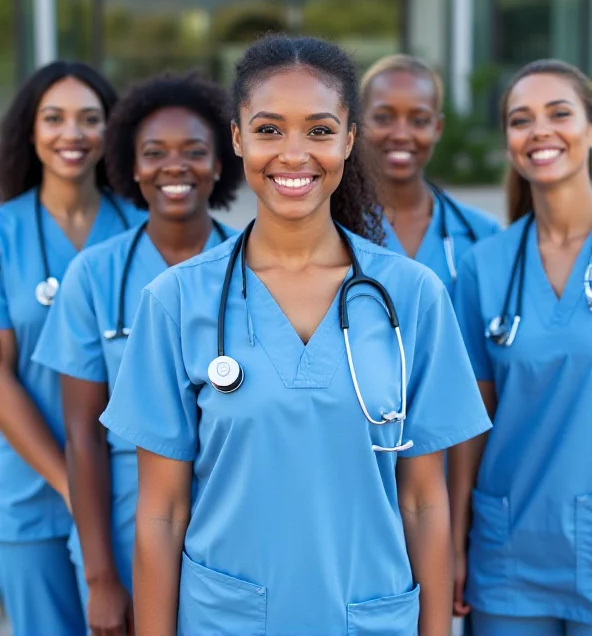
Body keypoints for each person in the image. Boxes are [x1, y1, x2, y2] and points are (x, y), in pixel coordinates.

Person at [101, 34, 491, 636]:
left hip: (369, 616)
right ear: (237, 139)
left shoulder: (412, 297)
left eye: (318, 130)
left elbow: (423, 502)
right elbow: (161, 512)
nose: (293, 154)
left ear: (349, 140)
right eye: (268, 130)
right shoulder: (177, 301)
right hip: (227, 621)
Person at [33, 72, 242, 635]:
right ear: (132, 166)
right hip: (126, 518)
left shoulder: (255, 270)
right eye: (155, 153)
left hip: (234, 518)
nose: (175, 167)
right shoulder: (94, 276)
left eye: (194, 152)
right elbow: (82, 439)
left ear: (220, 162)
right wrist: (101, 576)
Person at [0, 61, 144, 636]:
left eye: (91, 119)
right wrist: (71, 483)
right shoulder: (5, 232)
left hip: (133, 494)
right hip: (33, 492)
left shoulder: (143, 227)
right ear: (30, 131)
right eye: (54, 118)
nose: (72, 134)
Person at [451, 59, 592, 636]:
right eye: (520, 119)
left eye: (559, 113)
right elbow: (469, 423)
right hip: (510, 552)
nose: (540, 131)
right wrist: (453, 542)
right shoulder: (484, 267)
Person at [361, 55, 500, 292]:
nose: (401, 135)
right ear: (358, 121)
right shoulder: (332, 229)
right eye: (384, 118)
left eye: (419, 120)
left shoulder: (483, 235)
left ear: (437, 128)